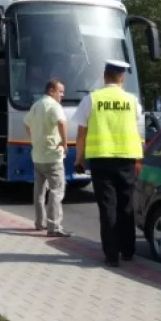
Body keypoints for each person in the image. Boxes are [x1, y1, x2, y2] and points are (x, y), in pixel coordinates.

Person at [73, 59, 143, 267]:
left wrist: (79, 158)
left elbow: (81, 133)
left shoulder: (91, 99)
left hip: (101, 159)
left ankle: (112, 255)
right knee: (126, 205)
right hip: (127, 159)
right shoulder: (132, 101)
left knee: (107, 207)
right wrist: (138, 157)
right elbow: (136, 128)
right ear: (122, 78)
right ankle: (128, 251)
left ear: (104, 76)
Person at [24, 78, 71, 237]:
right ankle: (54, 227)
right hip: (52, 157)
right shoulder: (54, 106)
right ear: (51, 90)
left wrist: (34, 139)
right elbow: (62, 123)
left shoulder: (36, 105)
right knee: (57, 192)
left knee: (39, 192)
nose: (62, 95)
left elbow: (26, 123)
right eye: (60, 91)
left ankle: (39, 222)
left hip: (37, 156)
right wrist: (64, 143)